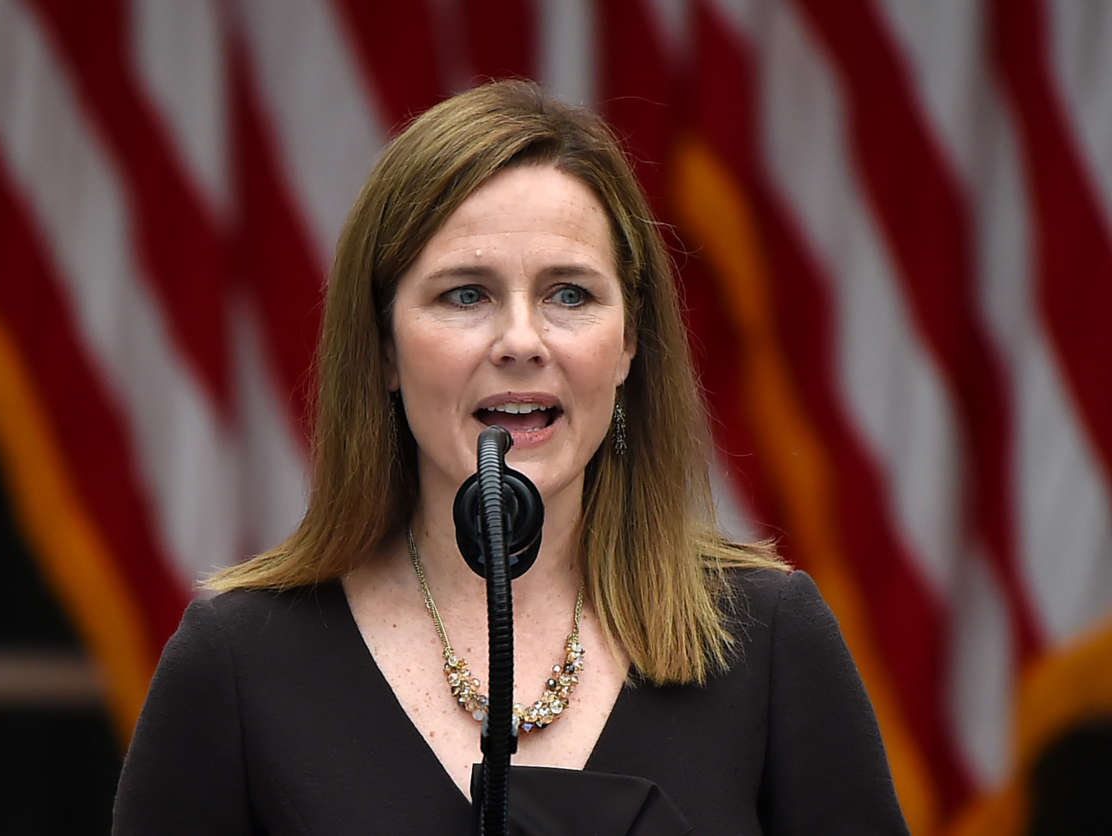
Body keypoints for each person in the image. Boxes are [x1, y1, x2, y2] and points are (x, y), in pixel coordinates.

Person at [112, 80, 908, 834]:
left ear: (629, 342)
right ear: (385, 348)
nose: (522, 342)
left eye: (570, 294)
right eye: (466, 294)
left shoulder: (768, 642)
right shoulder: (237, 665)